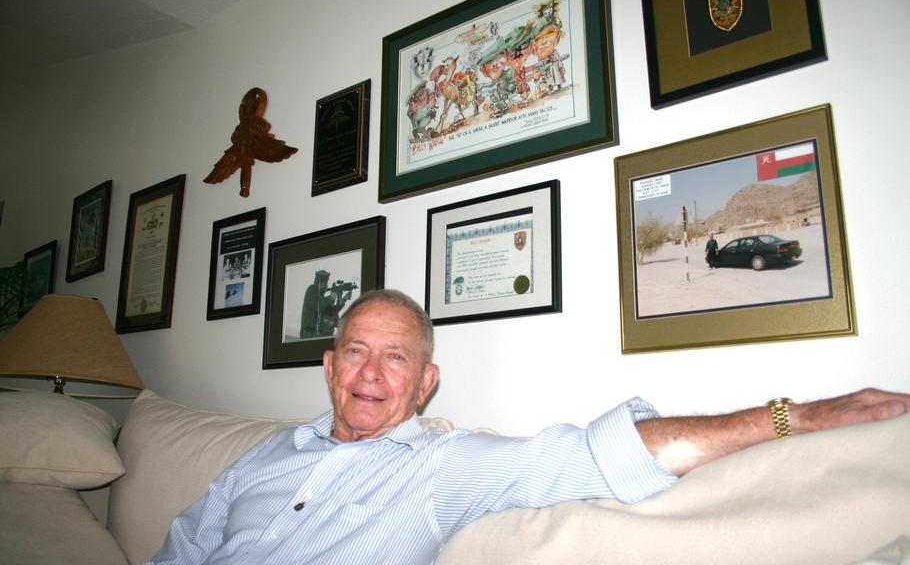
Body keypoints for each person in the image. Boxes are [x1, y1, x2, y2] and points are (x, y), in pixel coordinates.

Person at [149, 289, 910, 564]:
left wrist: (798, 415)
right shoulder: (263, 455)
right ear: (329, 365)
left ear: (426, 383)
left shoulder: (440, 467)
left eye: (396, 359)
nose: (371, 375)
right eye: (356, 352)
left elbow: (593, 457)